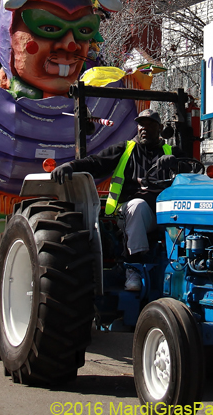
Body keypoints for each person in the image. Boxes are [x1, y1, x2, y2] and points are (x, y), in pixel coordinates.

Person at [50, 109, 180, 291]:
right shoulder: (125, 150)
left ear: (159, 128)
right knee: (138, 207)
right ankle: (133, 268)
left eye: (150, 125)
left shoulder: (171, 152)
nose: (144, 128)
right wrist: (71, 165)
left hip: (167, 213)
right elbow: (96, 162)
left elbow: (191, 173)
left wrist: (176, 164)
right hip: (131, 211)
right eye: (141, 124)